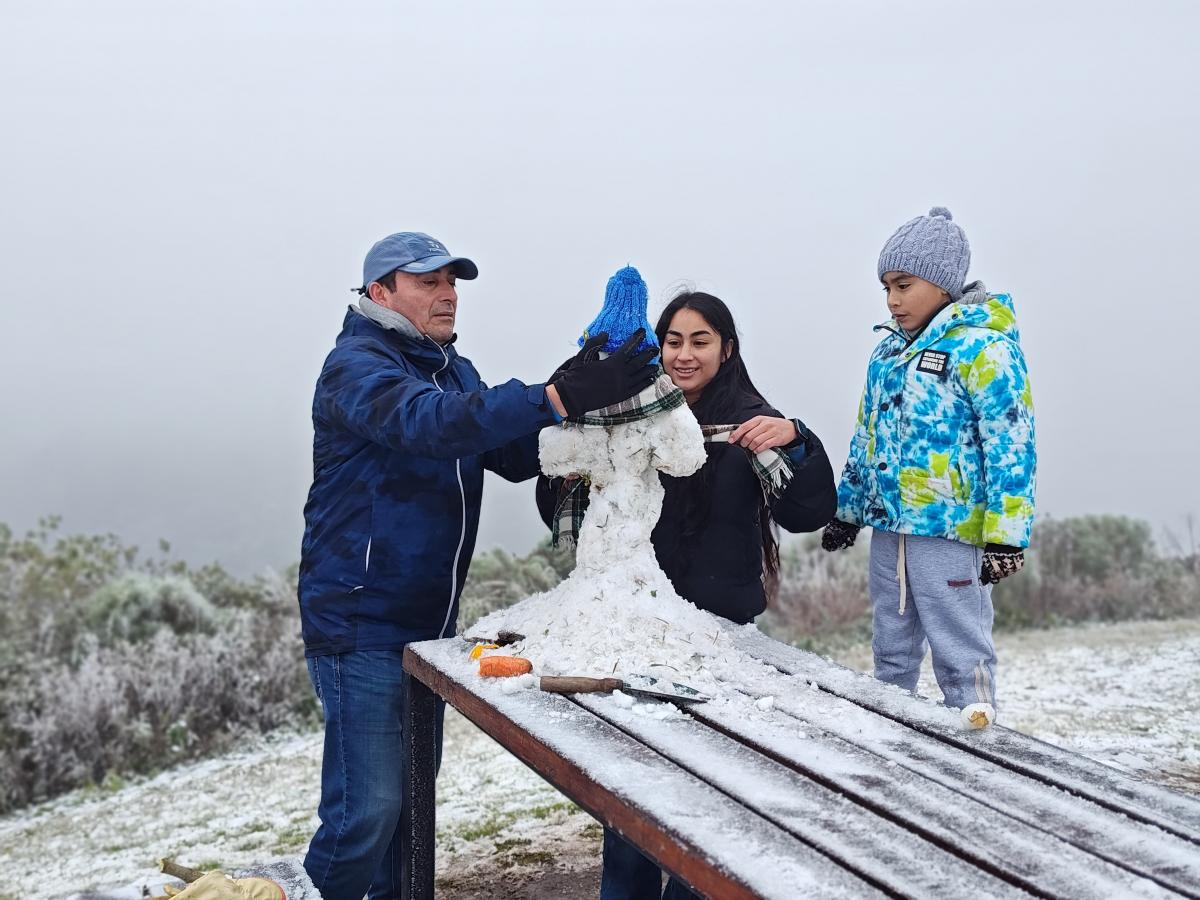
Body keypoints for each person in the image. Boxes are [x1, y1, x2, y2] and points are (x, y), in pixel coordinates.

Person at [298, 231, 658, 900]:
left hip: (427, 625)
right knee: (364, 816)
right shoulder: (357, 366)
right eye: (428, 282)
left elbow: (510, 451)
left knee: (408, 814)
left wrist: (586, 384)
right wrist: (557, 393)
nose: (447, 294)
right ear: (381, 293)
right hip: (361, 620)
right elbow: (433, 426)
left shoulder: (448, 369)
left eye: (452, 282)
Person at [537, 289, 837, 900]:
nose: (684, 354)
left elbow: (808, 513)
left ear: (726, 349)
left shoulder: (752, 422)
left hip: (720, 636)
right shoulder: (626, 413)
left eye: (700, 341)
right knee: (632, 793)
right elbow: (563, 507)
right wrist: (570, 478)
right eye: (673, 341)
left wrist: (800, 441)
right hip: (636, 629)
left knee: (708, 799)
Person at [822, 207, 1036, 725]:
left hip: (949, 531)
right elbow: (866, 438)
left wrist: (1007, 536)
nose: (893, 300)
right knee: (891, 640)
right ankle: (890, 728)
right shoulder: (886, 355)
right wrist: (849, 510)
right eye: (886, 288)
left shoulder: (982, 348)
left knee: (959, 640)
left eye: (904, 285)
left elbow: (1011, 442)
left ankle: (978, 737)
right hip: (889, 529)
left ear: (942, 284)